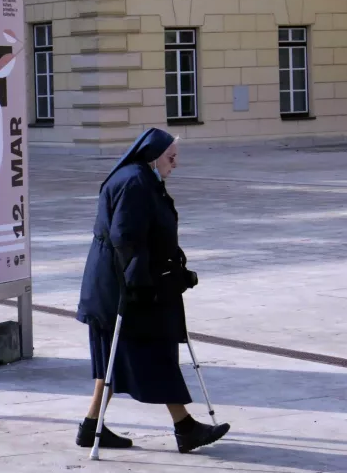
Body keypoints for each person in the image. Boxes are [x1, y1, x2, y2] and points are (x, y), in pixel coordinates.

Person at [74, 128, 231, 454]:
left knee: (113, 358)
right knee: (152, 351)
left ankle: (92, 427)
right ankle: (184, 427)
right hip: (121, 287)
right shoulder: (135, 182)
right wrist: (140, 283)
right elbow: (125, 238)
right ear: (153, 156)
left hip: (113, 283)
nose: (175, 164)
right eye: (171, 158)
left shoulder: (142, 178)